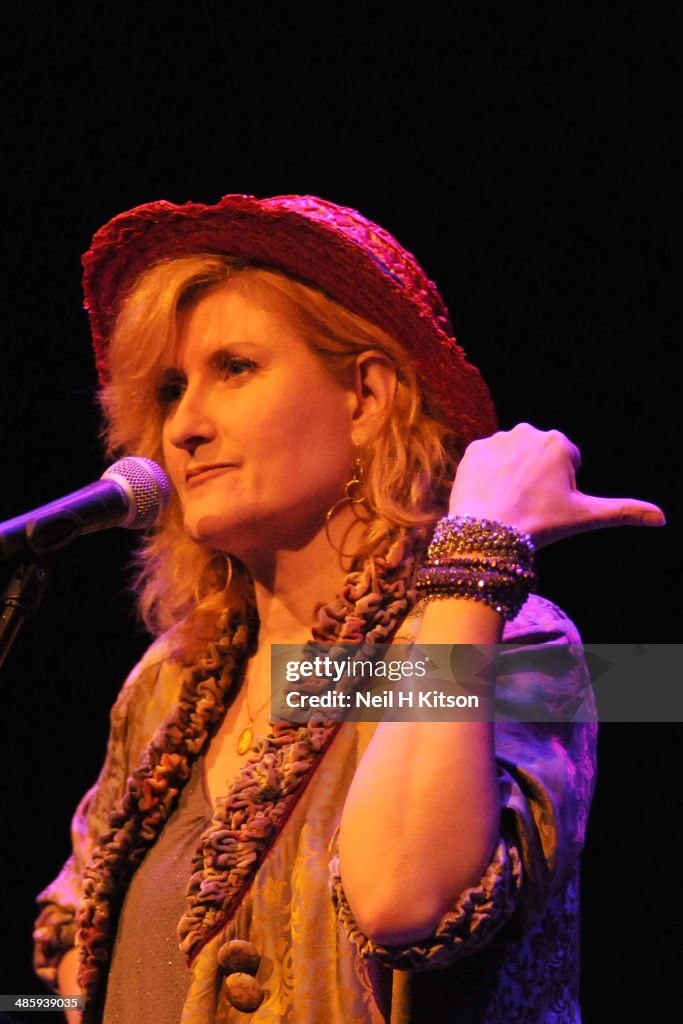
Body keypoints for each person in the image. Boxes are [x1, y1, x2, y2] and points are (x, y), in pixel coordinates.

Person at [32, 194, 664, 1024]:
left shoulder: (526, 646)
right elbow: (73, 936)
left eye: (235, 368)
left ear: (364, 397)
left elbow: (406, 900)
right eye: (173, 387)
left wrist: (473, 556)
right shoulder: (171, 679)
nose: (182, 425)